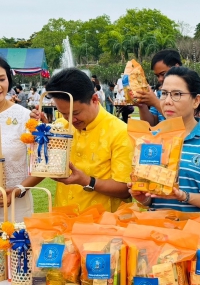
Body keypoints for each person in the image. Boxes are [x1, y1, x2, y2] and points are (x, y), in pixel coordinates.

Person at [25, 68, 133, 212]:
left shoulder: (120, 132)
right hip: (64, 219)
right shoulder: (60, 127)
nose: (70, 119)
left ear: (94, 99)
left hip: (103, 226)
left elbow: (125, 189)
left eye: (75, 113)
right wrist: (40, 133)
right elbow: (46, 165)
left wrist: (87, 181)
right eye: (63, 113)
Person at [129, 66, 200, 216]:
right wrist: (143, 198)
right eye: (164, 94)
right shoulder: (151, 141)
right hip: (161, 232)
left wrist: (184, 196)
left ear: (196, 101)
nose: (168, 101)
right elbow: (155, 199)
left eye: (177, 94)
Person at [133, 49, 200, 126]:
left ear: (176, 67)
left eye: (163, 74)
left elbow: (189, 121)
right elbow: (152, 124)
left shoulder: (197, 90)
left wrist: (155, 102)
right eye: (157, 76)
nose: (160, 79)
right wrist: (142, 106)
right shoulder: (160, 94)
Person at [0, 58, 34, 221]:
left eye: (1, 79)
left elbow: (41, 164)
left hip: (17, 206)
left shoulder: (23, 116)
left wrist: (19, 189)